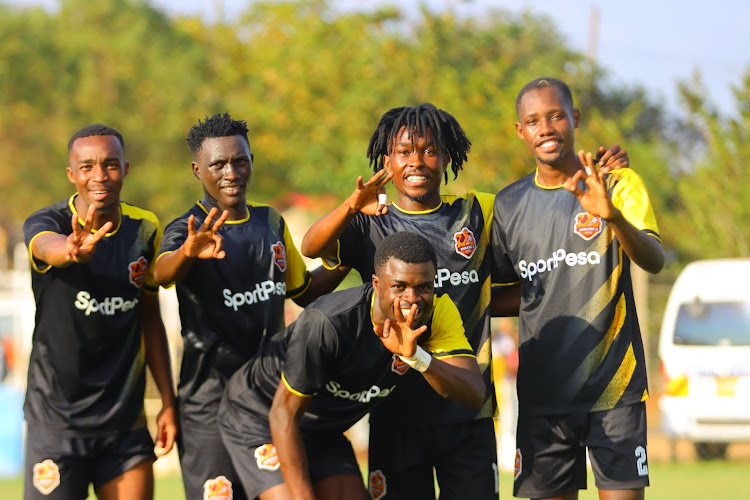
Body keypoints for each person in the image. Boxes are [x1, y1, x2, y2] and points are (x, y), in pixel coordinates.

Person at [301, 103, 629, 499]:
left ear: (447, 155)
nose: (417, 162)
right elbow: (313, 247)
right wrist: (351, 205)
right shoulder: (371, 220)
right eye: (404, 152)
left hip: (468, 412)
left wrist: (593, 171)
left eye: (429, 150)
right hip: (395, 413)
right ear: (387, 159)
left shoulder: (479, 212)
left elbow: (544, 211)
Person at [153, 112, 347, 500]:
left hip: (267, 395)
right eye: (218, 164)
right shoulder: (187, 228)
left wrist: (347, 260)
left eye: (240, 161)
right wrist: (188, 252)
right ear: (197, 169)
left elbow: (303, 292)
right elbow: (162, 273)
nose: (231, 172)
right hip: (208, 403)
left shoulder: (270, 222)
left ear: (251, 161)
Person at [491, 77, 664, 500]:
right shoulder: (509, 205)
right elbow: (505, 293)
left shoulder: (618, 184)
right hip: (542, 397)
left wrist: (613, 218)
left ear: (575, 119)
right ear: (521, 131)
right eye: (533, 120)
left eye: (555, 116)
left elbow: (654, 260)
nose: (546, 128)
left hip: (614, 390)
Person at [217, 231, 484, 500]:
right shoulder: (327, 322)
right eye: (399, 286)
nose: (412, 298)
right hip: (259, 415)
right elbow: (283, 415)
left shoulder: (438, 313)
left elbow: (473, 393)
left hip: (322, 427)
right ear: (377, 284)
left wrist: (417, 357)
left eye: (424, 287)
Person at [22, 124, 177, 500]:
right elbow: (46, 247)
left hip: (123, 423)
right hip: (57, 422)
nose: (99, 176)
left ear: (126, 168)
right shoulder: (47, 223)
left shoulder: (145, 229)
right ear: (71, 174)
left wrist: (168, 402)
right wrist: (71, 250)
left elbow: (150, 319)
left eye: (110, 164)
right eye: (87, 166)